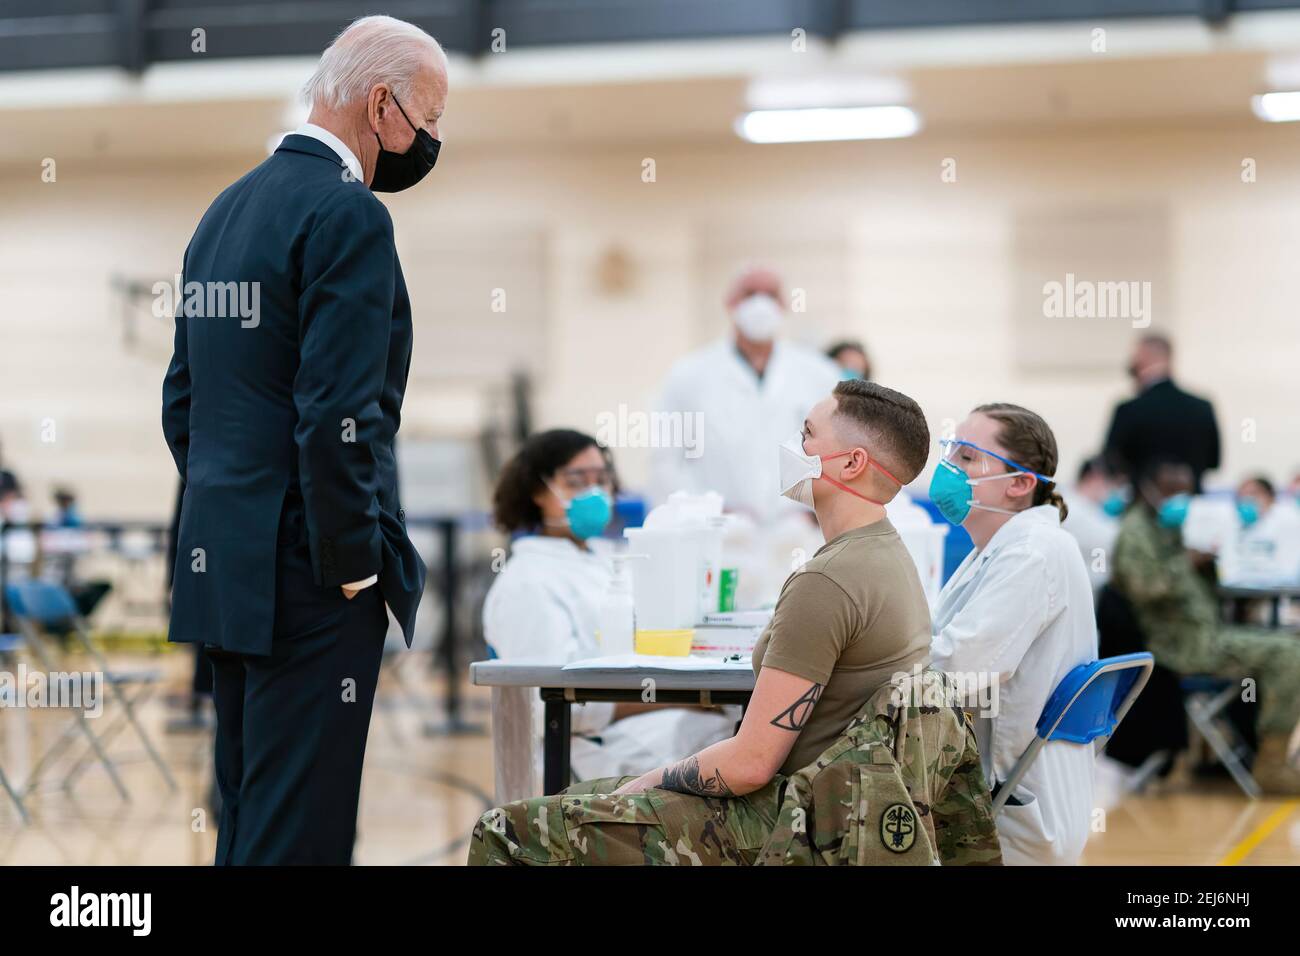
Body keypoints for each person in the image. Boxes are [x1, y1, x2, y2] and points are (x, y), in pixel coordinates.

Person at [468, 380, 1001, 865]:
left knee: (503, 831)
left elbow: (749, 765)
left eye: (808, 435)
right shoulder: (889, 556)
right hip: (838, 809)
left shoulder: (828, 581)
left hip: (790, 821)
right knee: (590, 800)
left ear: (850, 463)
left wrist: (646, 784)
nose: (795, 449)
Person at [161, 15, 443, 864]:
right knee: (304, 834)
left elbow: (184, 402)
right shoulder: (348, 213)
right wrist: (353, 560)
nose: (433, 140)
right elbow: (337, 414)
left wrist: (234, 507)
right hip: (314, 576)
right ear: (383, 105)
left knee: (248, 818)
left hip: (226, 561)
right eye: (430, 119)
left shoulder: (222, 211)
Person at [483, 429, 738, 780]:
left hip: (631, 728)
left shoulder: (606, 559)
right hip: (582, 754)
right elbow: (546, 704)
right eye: (576, 481)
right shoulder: (525, 582)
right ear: (537, 491)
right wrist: (684, 699)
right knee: (730, 741)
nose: (594, 492)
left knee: (742, 731)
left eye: (602, 480)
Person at [928, 403, 1098, 865]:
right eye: (951, 454)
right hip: (1002, 791)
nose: (948, 470)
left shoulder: (1032, 553)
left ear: (1019, 484)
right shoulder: (1003, 547)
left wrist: (867, 654)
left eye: (967, 458)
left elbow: (958, 667)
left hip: (1012, 812)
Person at [1110, 459, 1300, 792]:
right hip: (1182, 644)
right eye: (1172, 491)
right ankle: (1271, 766)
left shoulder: (1173, 525)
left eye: (1186, 492)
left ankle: (1261, 755)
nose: (1179, 499)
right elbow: (1144, 587)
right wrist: (1188, 561)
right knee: (1288, 655)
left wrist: (1213, 554)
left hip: (1204, 632)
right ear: (1149, 489)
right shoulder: (1136, 531)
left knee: (1288, 645)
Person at [650, 266, 841, 526]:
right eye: (750, 294)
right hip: (719, 532)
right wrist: (705, 511)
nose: (760, 304)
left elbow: (841, 450)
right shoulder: (688, 376)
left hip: (799, 531)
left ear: (784, 304)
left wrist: (816, 509)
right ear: (730, 303)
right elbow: (666, 460)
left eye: (771, 295)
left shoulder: (819, 373)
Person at [1104, 333, 1220, 493]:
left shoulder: (1128, 410)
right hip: (1191, 506)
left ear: (1144, 357)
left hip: (1143, 507)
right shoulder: (1202, 408)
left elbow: (1111, 463)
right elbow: (1214, 462)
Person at [1062, 455, 1124, 600]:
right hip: (1071, 594)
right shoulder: (1072, 509)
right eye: (1114, 485)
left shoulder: (1091, 509)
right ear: (1096, 477)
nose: (1115, 493)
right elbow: (1112, 542)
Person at [1224, 474, 1300, 584]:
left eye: (1252, 494)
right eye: (1241, 496)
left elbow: (1288, 573)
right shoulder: (1239, 524)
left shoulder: (1288, 520)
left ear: (1269, 496)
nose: (1246, 500)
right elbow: (1230, 570)